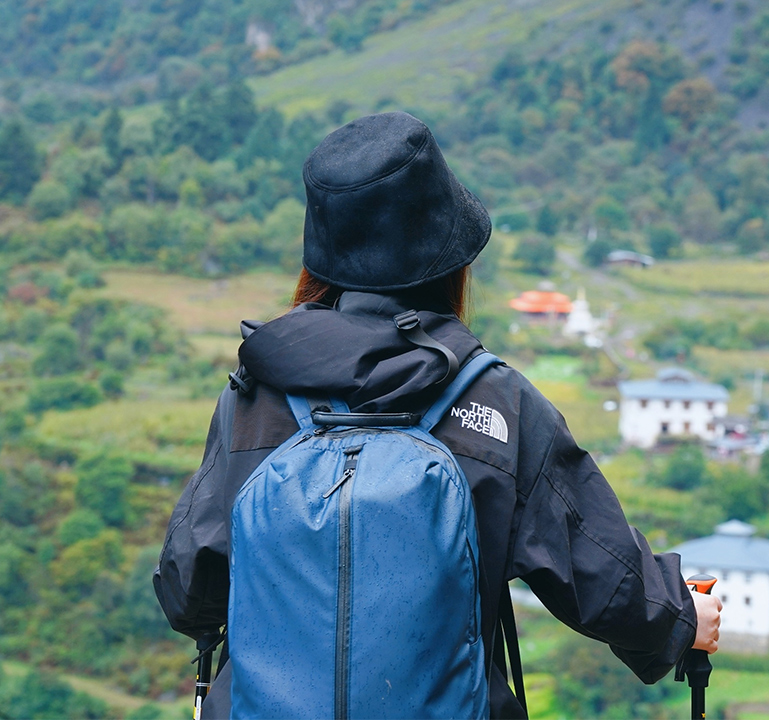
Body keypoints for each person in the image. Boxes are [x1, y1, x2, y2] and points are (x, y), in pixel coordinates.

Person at [152, 111, 721, 719]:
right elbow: (603, 578)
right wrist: (682, 616)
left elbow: (188, 591)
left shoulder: (254, 396)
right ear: (451, 263)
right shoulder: (499, 404)